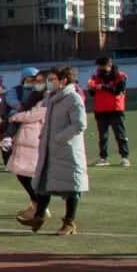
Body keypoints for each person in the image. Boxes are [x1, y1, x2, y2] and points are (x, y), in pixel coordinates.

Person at [21, 65, 88, 236]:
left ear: (64, 80)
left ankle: (69, 222)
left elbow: (79, 124)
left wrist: (58, 138)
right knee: (44, 183)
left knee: (71, 187)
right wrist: (44, 136)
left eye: (52, 80)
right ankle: (39, 216)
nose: (49, 83)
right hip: (50, 149)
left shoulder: (73, 98)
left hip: (67, 150)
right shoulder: (52, 98)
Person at [5, 73, 48, 218]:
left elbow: (34, 114)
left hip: (34, 138)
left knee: (28, 175)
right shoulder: (34, 95)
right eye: (36, 81)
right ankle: (36, 204)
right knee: (23, 174)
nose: (37, 84)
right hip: (25, 137)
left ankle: (40, 206)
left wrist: (15, 117)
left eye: (41, 81)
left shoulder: (48, 98)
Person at [87, 56, 130, 167]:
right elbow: (92, 93)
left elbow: (118, 91)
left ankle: (125, 157)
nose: (100, 68)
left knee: (120, 134)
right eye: (99, 66)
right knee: (103, 136)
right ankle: (103, 158)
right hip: (100, 109)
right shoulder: (96, 77)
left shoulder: (120, 76)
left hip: (115, 109)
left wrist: (102, 87)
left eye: (102, 66)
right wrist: (91, 88)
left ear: (109, 65)